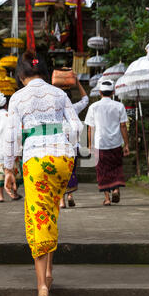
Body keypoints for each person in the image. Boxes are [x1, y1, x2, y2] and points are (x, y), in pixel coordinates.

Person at [4, 50, 83, 296]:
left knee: (38, 217)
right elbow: (76, 126)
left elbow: (13, 135)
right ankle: (49, 274)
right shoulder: (59, 94)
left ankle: (41, 290)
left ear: (21, 74)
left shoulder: (17, 98)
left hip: (35, 161)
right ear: (44, 72)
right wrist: (68, 151)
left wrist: (8, 169)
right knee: (51, 212)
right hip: (62, 159)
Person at [84, 79, 130, 206]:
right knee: (116, 167)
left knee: (102, 170)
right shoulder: (119, 106)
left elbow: (90, 128)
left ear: (100, 92)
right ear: (113, 92)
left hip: (100, 143)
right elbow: (123, 126)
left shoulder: (93, 107)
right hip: (115, 143)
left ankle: (107, 198)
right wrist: (126, 144)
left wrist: (90, 145)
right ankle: (115, 189)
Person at [60, 78, 89, 208]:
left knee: (59, 172)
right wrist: (77, 82)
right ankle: (70, 196)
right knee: (71, 171)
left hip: (58, 146)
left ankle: (61, 201)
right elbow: (85, 100)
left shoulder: (53, 110)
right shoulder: (74, 108)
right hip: (73, 147)